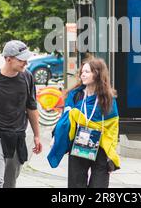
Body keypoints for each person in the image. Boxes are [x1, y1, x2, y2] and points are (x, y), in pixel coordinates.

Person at [0, 40, 43, 188]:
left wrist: (37, 135)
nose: (25, 62)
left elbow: (31, 108)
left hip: (17, 137)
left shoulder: (27, 77)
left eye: (26, 59)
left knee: (10, 183)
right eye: (21, 59)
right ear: (8, 59)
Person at [48, 57, 120, 188]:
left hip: (101, 148)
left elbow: (113, 127)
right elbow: (65, 119)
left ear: (97, 74)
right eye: (82, 71)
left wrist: (111, 153)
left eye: (87, 72)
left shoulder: (108, 99)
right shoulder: (75, 95)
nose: (83, 74)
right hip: (79, 145)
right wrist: (56, 136)